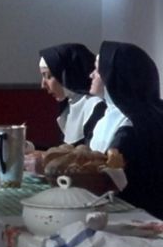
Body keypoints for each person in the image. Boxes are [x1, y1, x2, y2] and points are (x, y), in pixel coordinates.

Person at [88, 41, 163, 217]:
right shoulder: (114, 115)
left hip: (141, 215)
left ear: (113, 77)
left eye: (97, 70)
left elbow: (109, 180)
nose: (91, 75)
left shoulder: (129, 125)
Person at [38, 43, 105, 146]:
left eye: (48, 76)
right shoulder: (68, 105)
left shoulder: (95, 107)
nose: (43, 85)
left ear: (67, 74)